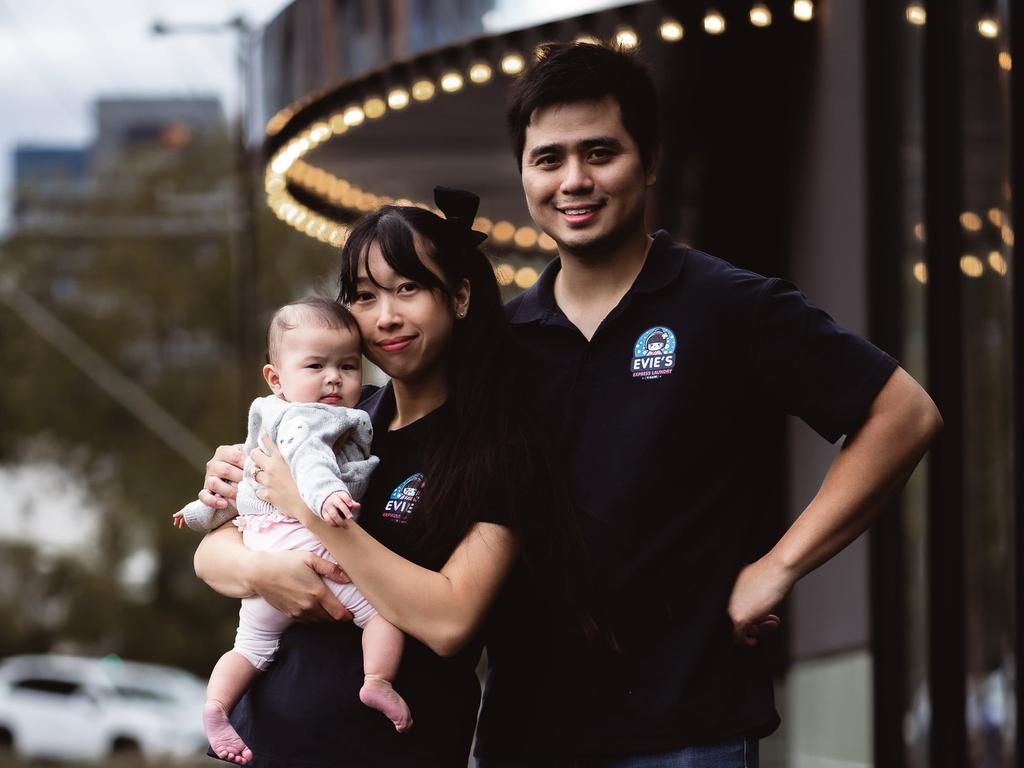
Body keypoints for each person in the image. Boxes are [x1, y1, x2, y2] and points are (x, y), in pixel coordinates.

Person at [467, 42, 942, 767]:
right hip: (526, 736)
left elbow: (904, 415)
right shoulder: (496, 343)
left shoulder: (727, 305)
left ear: (650, 160)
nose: (574, 180)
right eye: (549, 159)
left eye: (600, 152)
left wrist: (780, 565)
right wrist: (257, 483)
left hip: (689, 733)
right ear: (523, 173)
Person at [190, 188, 593, 767]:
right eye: (364, 295)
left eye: (408, 288)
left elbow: (450, 621)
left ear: (458, 297)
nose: (386, 317)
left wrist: (312, 518)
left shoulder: (499, 446)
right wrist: (262, 567)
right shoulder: (334, 420)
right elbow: (212, 556)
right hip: (265, 743)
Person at [173, 297, 411, 764]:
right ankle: (378, 681)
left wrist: (197, 513)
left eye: (347, 365)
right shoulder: (315, 419)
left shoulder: (264, 423)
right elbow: (312, 460)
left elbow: (230, 501)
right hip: (316, 555)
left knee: (247, 649)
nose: (334, 378)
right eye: (316, 366)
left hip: (263, 546)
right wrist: (323, 499)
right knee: (384, 616)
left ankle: (217, 707)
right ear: (276, 377)